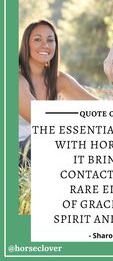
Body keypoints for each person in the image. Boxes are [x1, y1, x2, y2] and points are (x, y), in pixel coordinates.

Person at [19, 19, 97, 165]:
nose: (45, 45)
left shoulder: (58, 79)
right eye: (37, 39)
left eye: (50, 40)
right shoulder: (15, 78)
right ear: (26, 45)